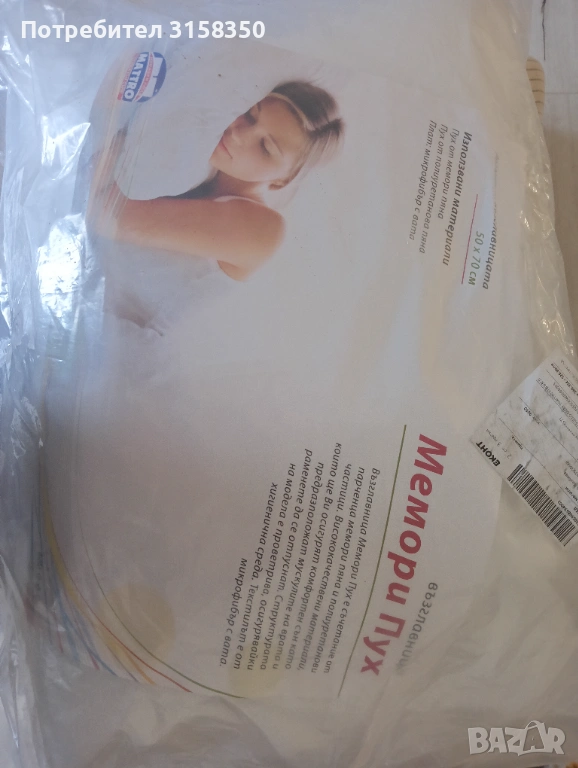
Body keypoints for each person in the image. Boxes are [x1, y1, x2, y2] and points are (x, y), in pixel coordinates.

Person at [89, 80, 344, 282]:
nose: (239, 134)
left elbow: (106, 215)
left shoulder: (264, 229)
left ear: (282, 181)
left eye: (265, 147)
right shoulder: (194, 168)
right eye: (250, 115)